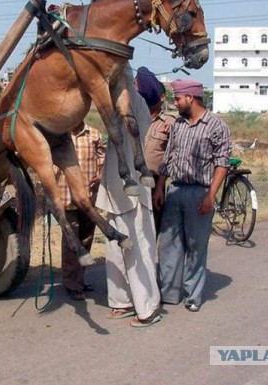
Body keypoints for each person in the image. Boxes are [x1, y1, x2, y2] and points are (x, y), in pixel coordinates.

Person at [153, 78, 232, 312]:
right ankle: (169, 292)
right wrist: (160, 187)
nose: (175, 103)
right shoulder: (178, 125)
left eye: (177, 98)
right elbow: (169, 158)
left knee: (196, 246)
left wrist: (211, 195)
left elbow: (222, 164)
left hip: (200, 193)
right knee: (168, 245)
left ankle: (192, 295)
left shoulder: (217, 126)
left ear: (191, 98)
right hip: (175, 191)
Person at [95, 82, 162, 328]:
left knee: (138, 250)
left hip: (133, 190)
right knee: (114, 251)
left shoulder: (134, 102)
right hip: (115, 189)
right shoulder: (117, 102)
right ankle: (121, 301)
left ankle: (148, 307)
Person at [57, 121, 106, 300]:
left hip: (88, 198)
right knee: (72, 243)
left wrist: (101, 175)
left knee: (86, 239)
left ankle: (79, 279)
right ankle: (72, 284)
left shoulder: (94, 134)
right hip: (65, 197)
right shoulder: (58, 134)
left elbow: (102, 158)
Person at [135, 66, 176, 232]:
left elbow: (169, 158)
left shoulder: (170, 122)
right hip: (133, 181)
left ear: (162, 98)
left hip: (153, 184)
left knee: (151, 230)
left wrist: (160, 187)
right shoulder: (135, 119)